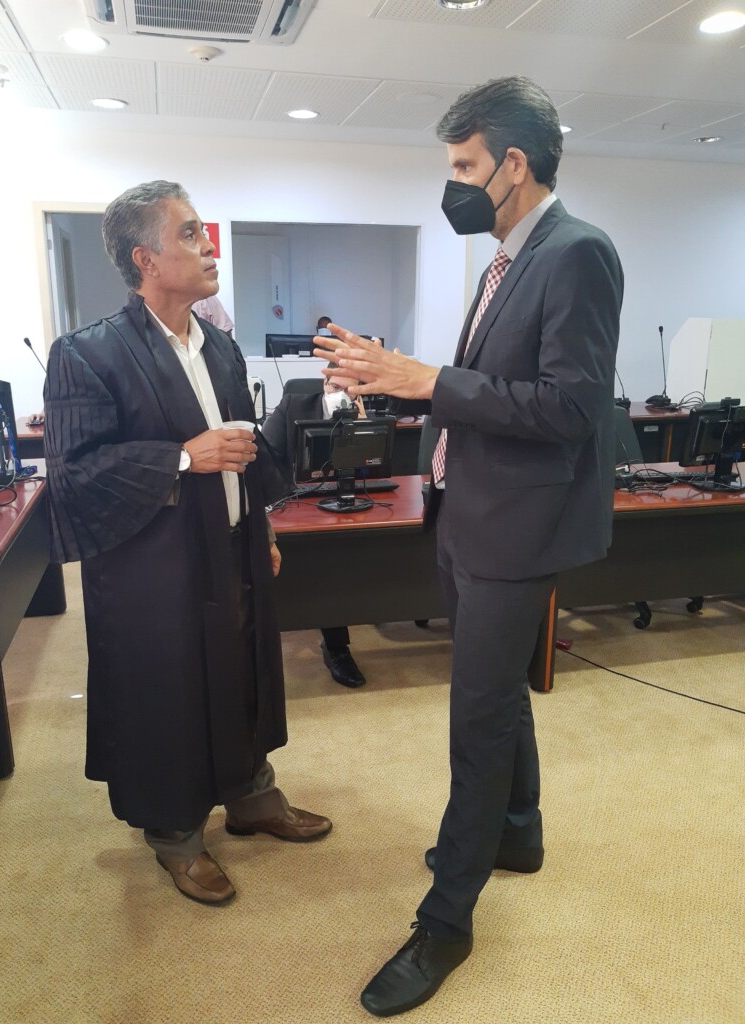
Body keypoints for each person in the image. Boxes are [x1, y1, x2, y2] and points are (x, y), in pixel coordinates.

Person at [314, 77, 623, 1016]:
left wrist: (428, 378)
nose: (452, 183)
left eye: (463, 166)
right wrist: (393, 377)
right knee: (496, 696)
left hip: (516, 531)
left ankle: (447, 923)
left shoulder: (576, 253)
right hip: (467, 514)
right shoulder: (505, 261)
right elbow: (490, 390)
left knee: (476, 719)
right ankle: (518, 831)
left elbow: (571, 409)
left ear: (513, 165)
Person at [44, 180, 331, 908]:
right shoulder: (87, 354)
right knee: (167, 691)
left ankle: (251, 795)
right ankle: (175, 833)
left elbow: (240, 446)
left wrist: (262, 524)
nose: (209, 249)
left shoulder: (220, 347)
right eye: (190, 235)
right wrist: (180, 457)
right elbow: (74, 474)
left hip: (232, 545)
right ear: (145, 259)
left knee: (243, 669)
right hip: (152, 566)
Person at [262, 368, 367, 688]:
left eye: (349, 390)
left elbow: (371, 468)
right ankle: (330, 644)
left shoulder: (357, 413)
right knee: (322, 559)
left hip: (340, 505)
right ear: (324, 384)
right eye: (335, 387)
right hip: (293, 503)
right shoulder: (293, 405)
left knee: (338, 556)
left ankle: (337, 644)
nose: (340, 394)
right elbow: (265, 456)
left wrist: (363, 427)